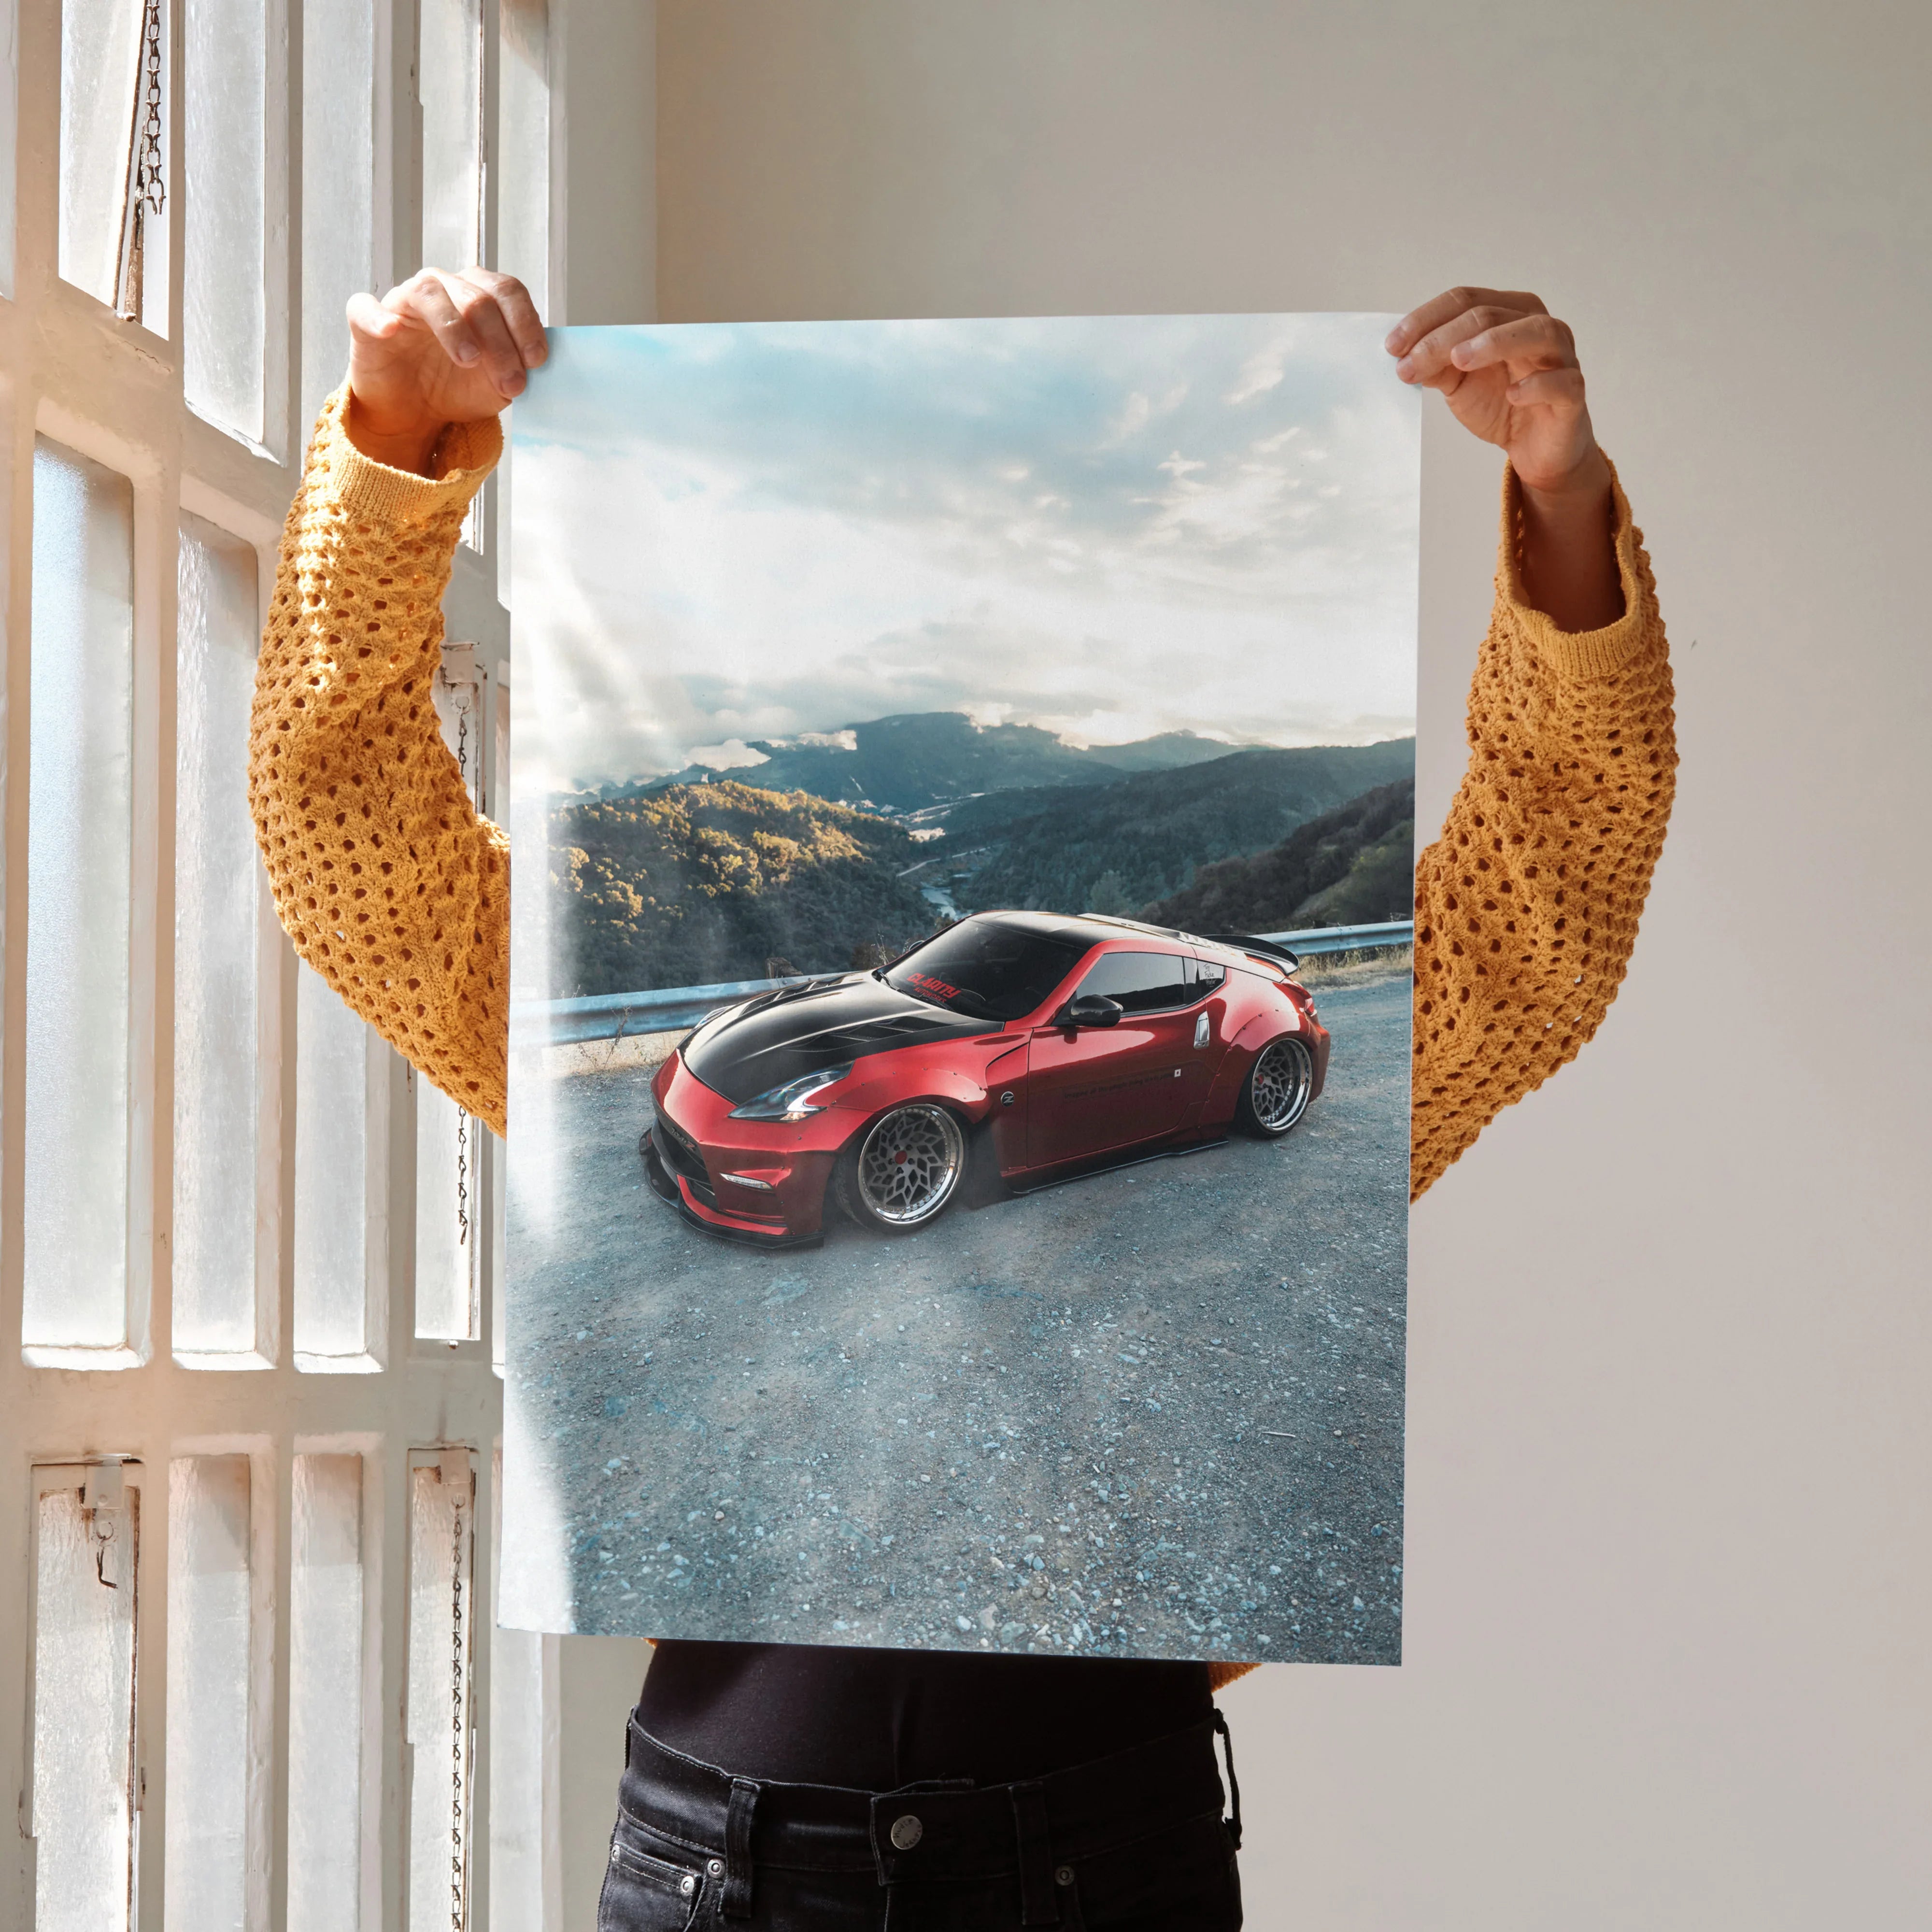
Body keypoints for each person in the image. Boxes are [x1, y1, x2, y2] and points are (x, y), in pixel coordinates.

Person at [250, 270, 1675, 1930]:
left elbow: (1546, 905)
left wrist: (1561, 497)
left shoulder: (1237, 1043)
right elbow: (350, 849)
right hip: (729, 1865)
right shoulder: (785, 1007)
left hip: (1097, 1852)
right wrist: (391, 446)